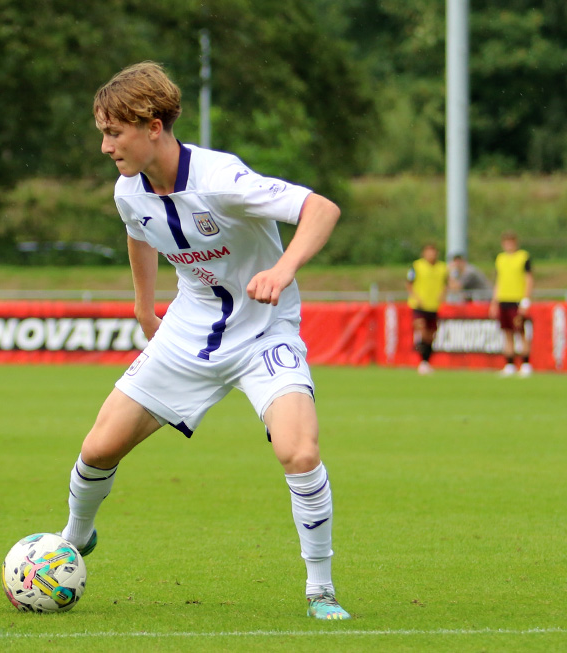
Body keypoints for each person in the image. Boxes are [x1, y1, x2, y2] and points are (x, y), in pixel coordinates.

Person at [58, 62, 350, 620]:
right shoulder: (128, 192)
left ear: (153, 126)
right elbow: (138, 234)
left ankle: (320, 590)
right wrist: (144, 307)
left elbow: (321, 209)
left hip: (264, 333)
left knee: (299, 450)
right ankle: (74, 537)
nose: (104, 147)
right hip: (187, 335)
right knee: (97, 449)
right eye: (102, 132)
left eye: (113, 132)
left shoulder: (221, 178)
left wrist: (283, 269)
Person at [489, 232, 533, 376]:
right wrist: (494, 302)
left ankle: (526, 363)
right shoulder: (500, 259)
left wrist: (526, 299)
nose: (509, 245)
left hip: (517, 299)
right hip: (503, 299)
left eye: (511, 242)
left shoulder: (523, 257)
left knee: (520, 331)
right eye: (506, 242)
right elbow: (498, 281)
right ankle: (510, 364)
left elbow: (528, 279)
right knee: (507, 332)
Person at [406, 243, 448, 374]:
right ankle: (420, 353)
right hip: (419, 305)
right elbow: (409, 283)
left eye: (433, 252)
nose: (431, 255)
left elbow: (446, 284)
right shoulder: (417, 266)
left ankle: (426, 361)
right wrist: (416, 297)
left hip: (433, 305)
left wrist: (443, 295)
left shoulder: (442, 268)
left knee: (431, 335)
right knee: (422, 329)